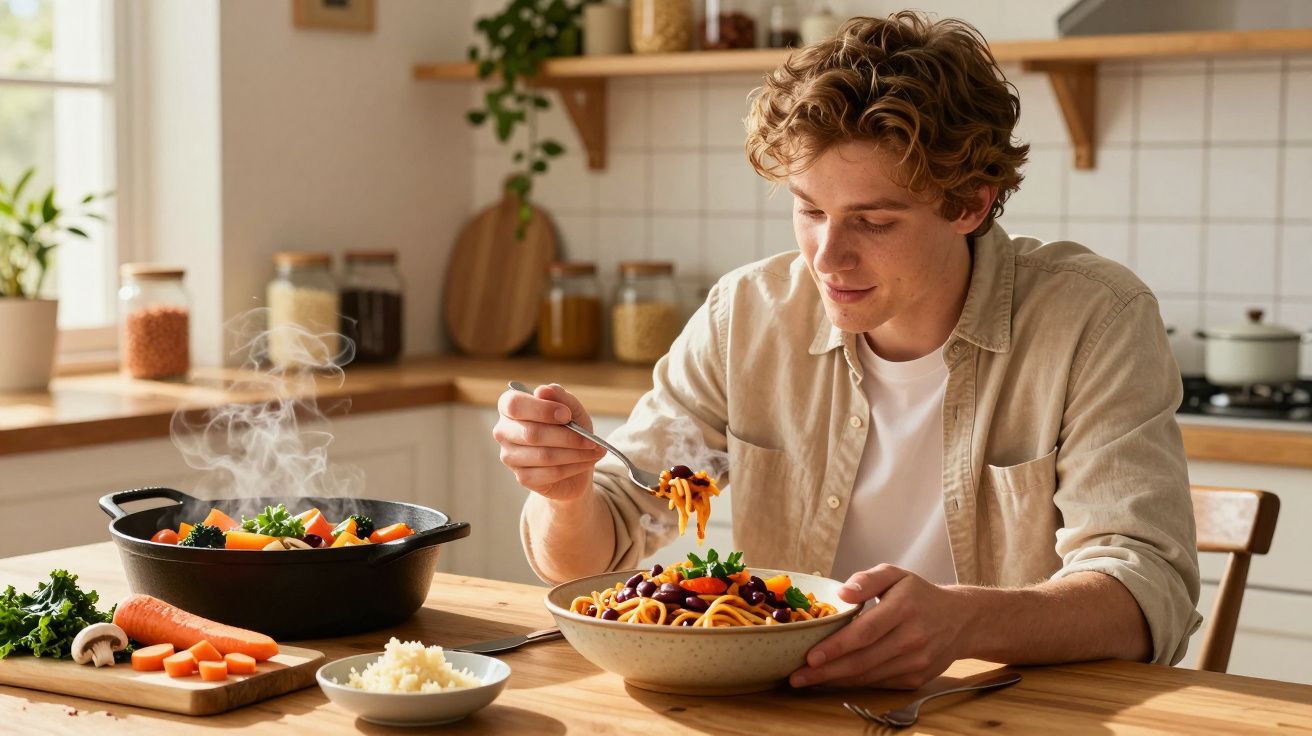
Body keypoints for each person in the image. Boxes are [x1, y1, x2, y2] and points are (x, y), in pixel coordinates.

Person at [493, 11, 1200, 689]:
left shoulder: (1094, 321)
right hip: (787, 709)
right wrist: (565, 494)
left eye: (874, 220)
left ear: (971, 205)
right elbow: (600, 545)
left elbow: (1147, 590)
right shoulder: (747, 318)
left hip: (1005, 709)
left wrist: (965, 622)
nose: (827, 257)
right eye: (809, 210)